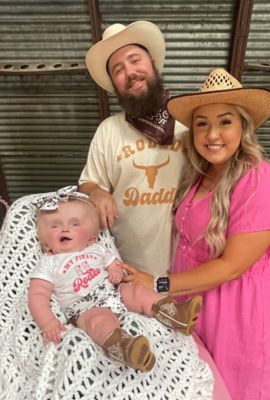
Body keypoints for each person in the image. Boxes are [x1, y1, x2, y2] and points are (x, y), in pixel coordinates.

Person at [121, 68, 270, 399]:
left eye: (225, 121)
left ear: (244, 126)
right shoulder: (200, 175)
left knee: (236, 386)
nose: (212, 134)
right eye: (202, 123)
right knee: (199, 382)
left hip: (237, 308)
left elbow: (232, 266)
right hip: (195, 299)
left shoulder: (259, 179)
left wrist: (158, 284)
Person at [28, 186, 201, 372]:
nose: (64, 228)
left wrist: (115, 271)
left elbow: (114, 263)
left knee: (138, 291)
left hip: (113, 291)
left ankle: (175, 314)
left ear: (91, 238)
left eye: (74, 224)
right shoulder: (49, 263)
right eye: (55, 226)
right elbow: (37, 295)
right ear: (46, 245)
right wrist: (47, 322)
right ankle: (125, 348)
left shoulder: (97, 250)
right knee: (99, 323)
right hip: (85, 308)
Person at [78, 21, 187, 276]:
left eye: (135, 60)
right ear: (115, 84)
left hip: (188, 266)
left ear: (151, 62)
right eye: (118, 69)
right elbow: (89, 182)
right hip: (127, 268)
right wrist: (96, 192)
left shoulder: (189, 117)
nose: (130, 72)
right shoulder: (108, 130)